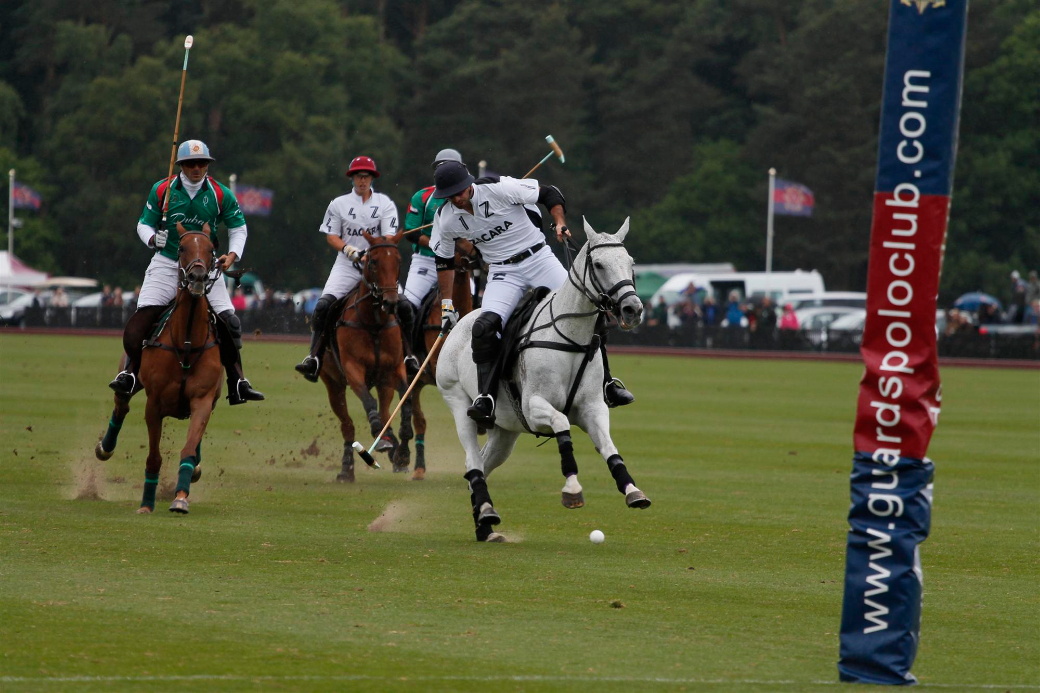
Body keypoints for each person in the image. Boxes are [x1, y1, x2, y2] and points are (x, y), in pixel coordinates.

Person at [430, 161, 633, 426]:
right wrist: (447, 304)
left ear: (469, 184)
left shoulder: (499, 188)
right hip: (503, 273)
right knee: (483, 328)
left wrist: (559, 222)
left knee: (590, 312)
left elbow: (550, 193)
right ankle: (486, 398)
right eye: (450, 195)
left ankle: (606, 383)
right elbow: (444, 260)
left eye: (459, 191)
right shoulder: (445, 218)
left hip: (538, 259)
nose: (457, 198)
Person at [108, 139, 264, 405]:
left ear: (207, 165)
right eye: (191, 163)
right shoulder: (162, 190)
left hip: (205, 267)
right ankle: (130, 373)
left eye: (201, 163)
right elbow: (143, 224)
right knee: (142, 319)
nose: (196, 168)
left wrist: (233, 255)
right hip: (167, 263)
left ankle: (237, 381)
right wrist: (151, 238)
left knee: (229, 321)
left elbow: (238, 227)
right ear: (181, 165)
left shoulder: (220, 193)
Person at [294, 156, 400, 381]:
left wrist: (372, 253)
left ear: (372, 178)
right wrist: (348, 250)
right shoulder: (338, 204)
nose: (362, 181)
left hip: (377, 266)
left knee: (405, 306)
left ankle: (408, 357)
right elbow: (331, 237)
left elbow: (389, 237)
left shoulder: (385, 204)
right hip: (347, 265)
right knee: (323, 306)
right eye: (358, 176)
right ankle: (314, 358)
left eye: (366, 176)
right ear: (352, 178)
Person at [398, 148, 465, 379]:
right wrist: (439, 244)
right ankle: (409, 355)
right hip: (425, 262)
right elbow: (411, 233)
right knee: (407, 306)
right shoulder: (422, 197)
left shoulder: (466, 198)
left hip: (459, 266)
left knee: (479, 306)